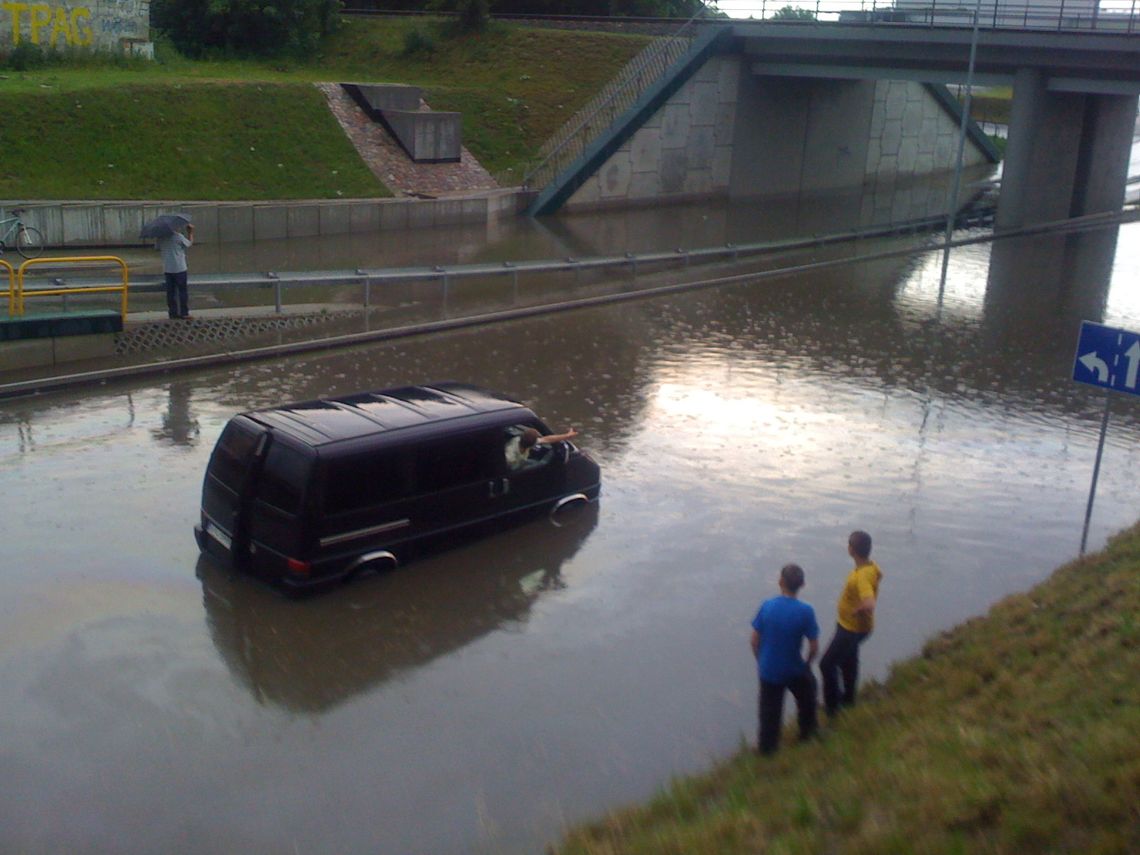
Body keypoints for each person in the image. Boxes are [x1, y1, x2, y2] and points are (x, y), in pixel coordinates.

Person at [749, 563, 819, 755]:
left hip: (768, 670)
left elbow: (754, 641)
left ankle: (767, 750)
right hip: (794, 669)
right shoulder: (806, 611)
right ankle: (807, 733)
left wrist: (761, 660)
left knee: (769, 712)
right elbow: (814, 647)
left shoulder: (767, 606)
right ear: (802, 584)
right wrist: (806, 665)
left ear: (780, 582)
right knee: (808, 694)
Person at [819, 530, 883, 718]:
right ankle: (849, 700)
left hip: (850, 628)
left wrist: (858, 610)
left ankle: (832, 709)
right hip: (860, 628)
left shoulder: (861, 576)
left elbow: (870, 602)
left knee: (827, 665)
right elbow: (878, 576)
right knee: (848, 661)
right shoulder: (872, 567)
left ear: (851, 550)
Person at [157, 222, 195, 319]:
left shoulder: (161, 238)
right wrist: (190, 232)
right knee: (182, 291)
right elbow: (189, 244)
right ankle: (184, 313)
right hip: (180, 268)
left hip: (168, 269)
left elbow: (157, 248)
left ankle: (172, 313)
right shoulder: (178, 236)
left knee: (170, 293)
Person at [504, 425, 578, 469]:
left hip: (520, 462)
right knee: (540, 464)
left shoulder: (524, 441)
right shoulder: (510, 452)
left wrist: (567, 436)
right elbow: (505, 466)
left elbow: (547, 439)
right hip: (513, 468)